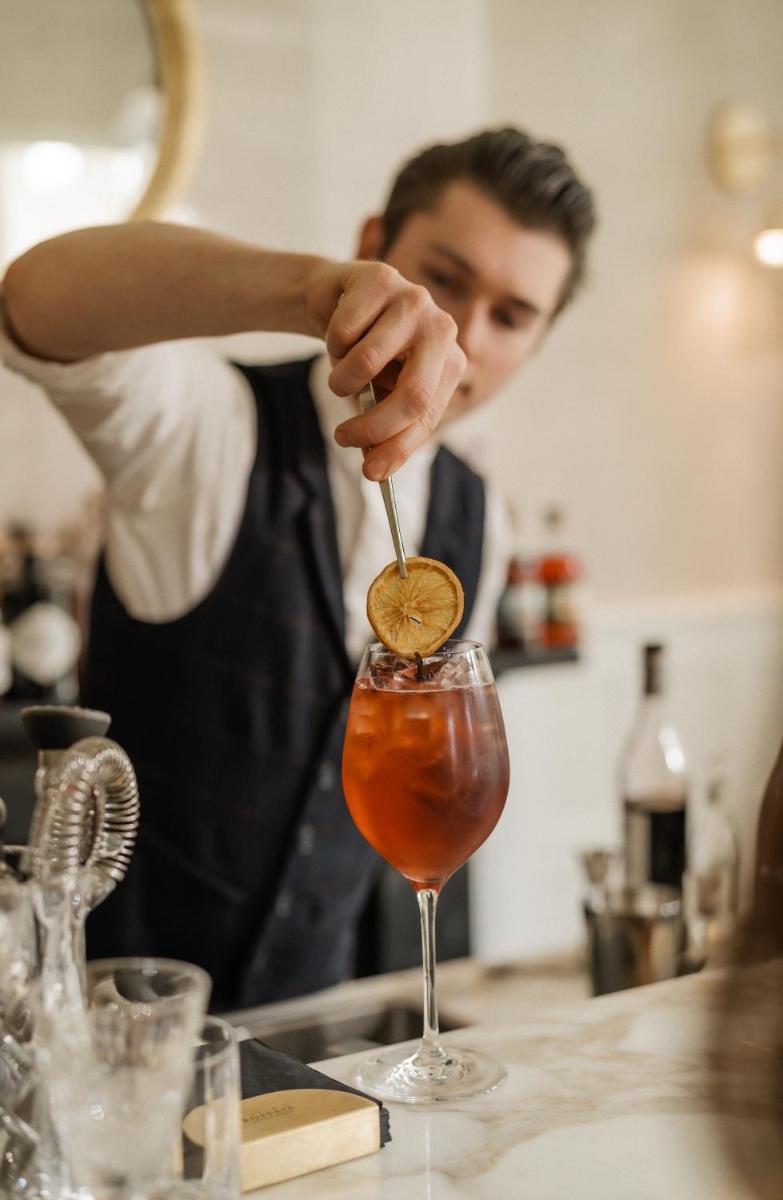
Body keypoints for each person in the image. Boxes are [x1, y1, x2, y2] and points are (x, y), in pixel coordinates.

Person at [1, 126, 596, 1009]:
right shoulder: (205, 428)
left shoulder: (482, 521)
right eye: (443, 280)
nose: (462, 334)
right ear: (373, 247)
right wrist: (314, 291)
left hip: (319, 1035)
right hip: (116, 1027)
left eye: (510, 317)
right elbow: (35, 298)